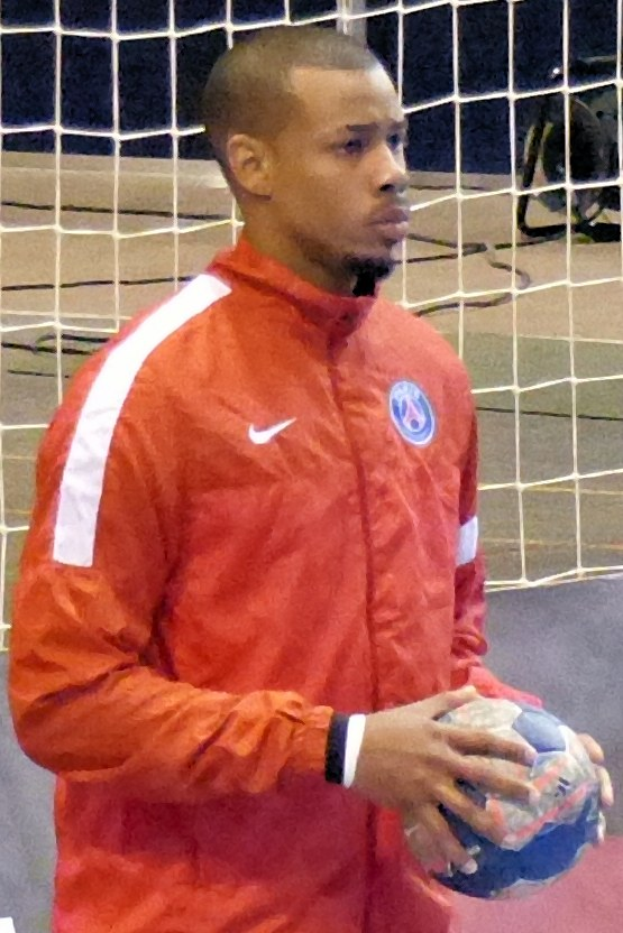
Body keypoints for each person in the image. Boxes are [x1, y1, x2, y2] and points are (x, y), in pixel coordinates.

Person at [8, 25, 611, 933]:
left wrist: (517, 741)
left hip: (394, 909)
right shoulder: (146, 392)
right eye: (350, 145)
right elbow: (63, 701)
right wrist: (338, 747)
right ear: (253, 164)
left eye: (396, 140)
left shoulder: (429, 374)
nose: (392, 172)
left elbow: (449, 643)